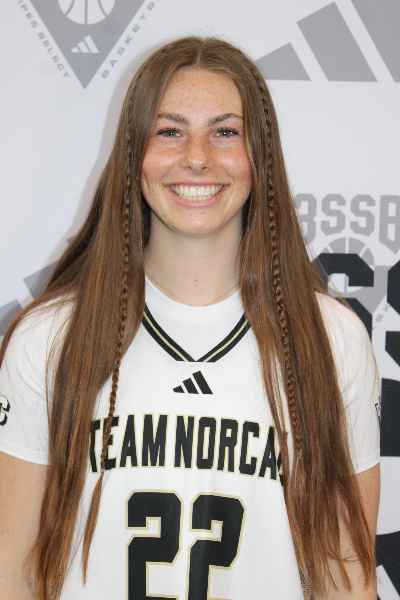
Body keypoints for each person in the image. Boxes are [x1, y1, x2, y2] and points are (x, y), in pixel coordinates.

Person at [0, 37, 380, 600]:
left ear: (260, 155)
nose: (197, 157)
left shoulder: (330, 340)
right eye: (169, 131)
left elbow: (345, 577)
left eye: (225, 132)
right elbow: (13, 571)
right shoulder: (51, 337)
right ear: (134, 153)